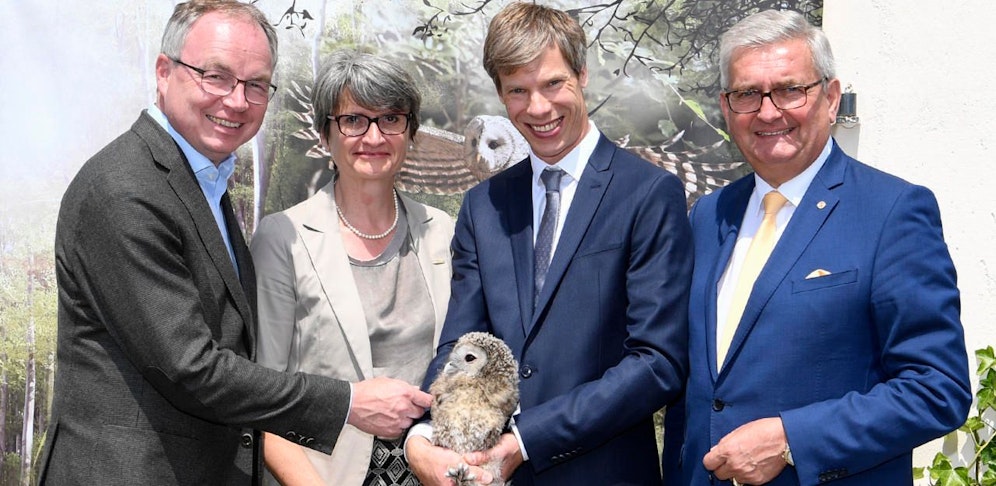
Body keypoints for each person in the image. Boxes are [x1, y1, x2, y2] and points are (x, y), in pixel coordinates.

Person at [38, 2, 430, 484]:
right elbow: (191, 369)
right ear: (164, 72)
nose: (237, 100)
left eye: (256, 85)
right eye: (216, 76)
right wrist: (348, 401)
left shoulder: (202, 182)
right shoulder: (126, 189)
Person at [661, 9, 972, 486]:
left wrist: (790, 439)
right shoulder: (709, 214)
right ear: (726, 107)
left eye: (789, 89)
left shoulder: (892, 212)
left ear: (829, 97)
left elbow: (937, 389)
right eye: (747, 94)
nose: (768, 112)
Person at [405, 3, 693, 485]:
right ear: (500, 93)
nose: (538, 108)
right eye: (518, 90)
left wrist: (525, 441)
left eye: (553, 84)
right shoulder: (484, 205)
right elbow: (465, 344)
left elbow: (657, 362)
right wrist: (426, 431)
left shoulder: (647, 193)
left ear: (582, 75)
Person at [250, 50, 454, 485]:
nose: (374, 136)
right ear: (326, 134)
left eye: (391, 119)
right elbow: (260, 398)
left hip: (431, 472)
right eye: (354, 120)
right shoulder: (283, 237)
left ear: (410, 131)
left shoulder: (445, 234)